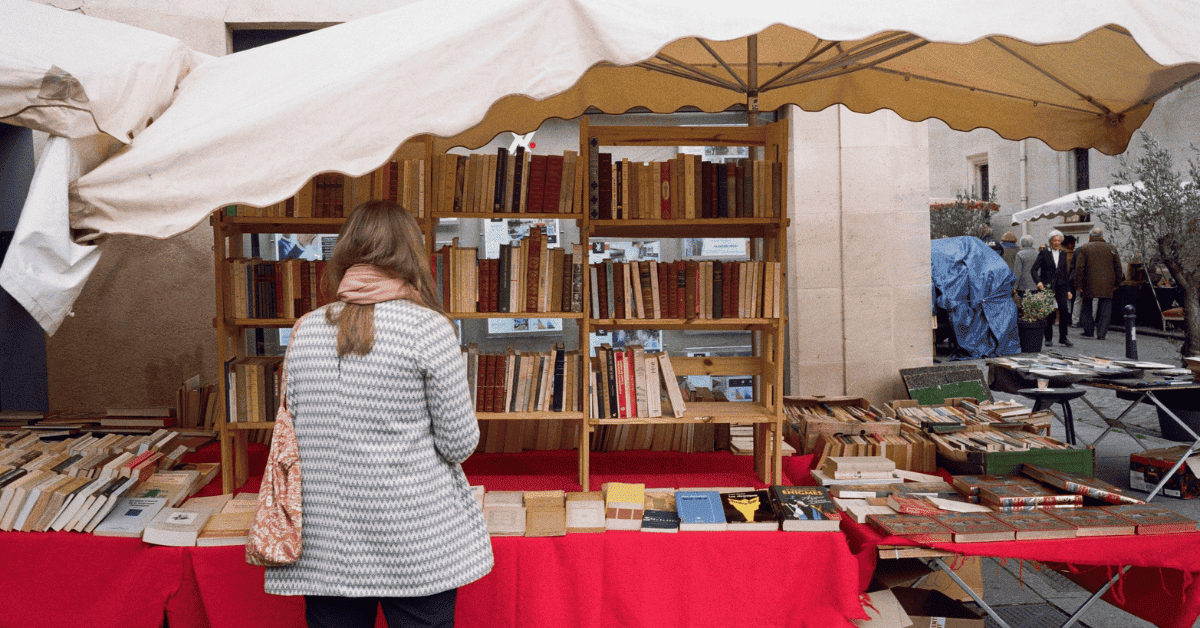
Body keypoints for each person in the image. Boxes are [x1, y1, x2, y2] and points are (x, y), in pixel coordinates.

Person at [264, 200, 493, 628]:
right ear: (412, 253)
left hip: (328, 544)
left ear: (347, 251)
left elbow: (298, 432)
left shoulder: (305, 330)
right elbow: (459, 444)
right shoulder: (429, 329)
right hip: (415, 540)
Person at [1074, 226, 1124, 340]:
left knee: (1086, 306)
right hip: (1107, 283)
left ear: (1090, 237)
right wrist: (1117, 282)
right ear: (1102, 236)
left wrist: (1078, 284)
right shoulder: (1111, 248)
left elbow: (1079, 268)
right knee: (1105, 308)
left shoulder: (1085, 248)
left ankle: (1089, 331)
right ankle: (1101, 334)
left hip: (1088, 282)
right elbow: (1118, 267)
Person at [1032, 229, 1073, 347]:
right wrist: (1039, 282)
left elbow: (1065, 273)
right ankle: (1048, 338)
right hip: (1048, 286)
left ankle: (1063, 337)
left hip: (1060, 286)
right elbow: (1034, 269)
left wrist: (1068, 290)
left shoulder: (1063, 254)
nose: (1057, 242)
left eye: (1059, 240)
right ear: (1051, 242)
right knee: (1049, 312)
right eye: (1055, 240)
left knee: (1064, 310)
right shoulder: (1044, 253)